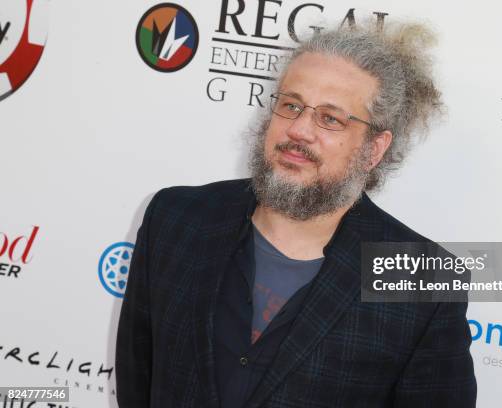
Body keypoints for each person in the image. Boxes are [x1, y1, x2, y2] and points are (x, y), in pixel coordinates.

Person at [116, 22, 477, 408]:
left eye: (331, 118)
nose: (299, 130)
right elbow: (138, 380)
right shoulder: (176, 219)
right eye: (291, 105)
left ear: (374, 149)